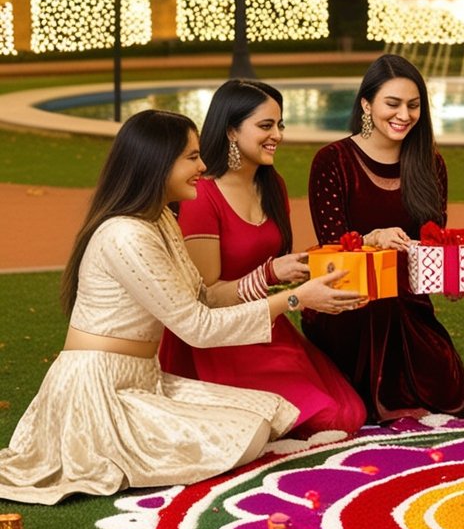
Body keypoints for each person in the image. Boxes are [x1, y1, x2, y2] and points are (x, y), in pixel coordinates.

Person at [0, 111, 365, 505]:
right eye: (191, 157)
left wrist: (273, 273)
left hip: (144, 378)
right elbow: (198, 327)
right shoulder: (125, 235)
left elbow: (203, 298)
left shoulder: (159, 219)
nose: (203, 166)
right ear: (157, 162)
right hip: (98, 391)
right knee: (246, 434)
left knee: (266, 413)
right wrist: (295, 299)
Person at [159, 80, 366, 437]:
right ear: (231, 131)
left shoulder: (272, 185)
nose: (278, 135)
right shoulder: (202, 195)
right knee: (317, 417)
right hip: (219, 340)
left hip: (269, 325)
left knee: (348, 412)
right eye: (266, 126)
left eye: (280, 125)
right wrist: (270, 275)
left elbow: (282, 267)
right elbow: (205, 297)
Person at [304, 55, 464, 421]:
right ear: (367, 104)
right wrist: (372, 239)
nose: (404, 115)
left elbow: (431, 240)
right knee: (381, 314)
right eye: (392, 104)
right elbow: (331, 249)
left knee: (452, 392)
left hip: (409, 304)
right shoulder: (332, 161)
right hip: (349, 304)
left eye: (413, 106)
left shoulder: (429, 163)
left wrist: (450, 271)